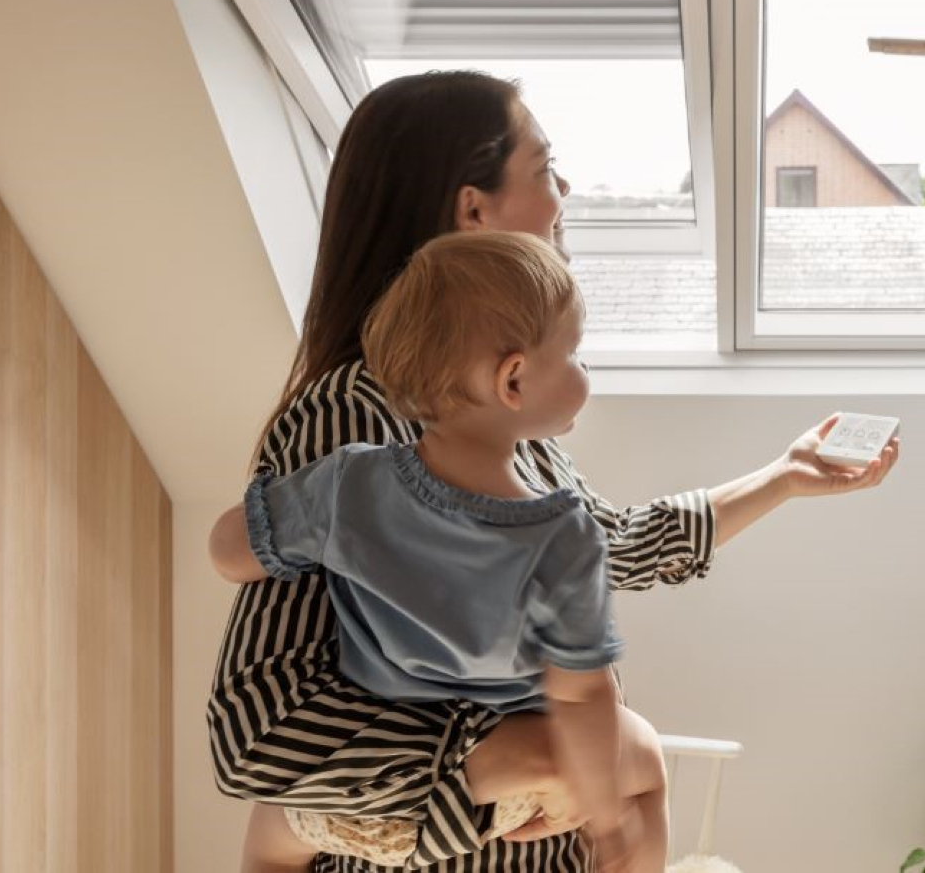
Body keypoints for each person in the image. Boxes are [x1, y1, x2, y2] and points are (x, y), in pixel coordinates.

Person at [206, 70, 900, 873]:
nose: (565, 189)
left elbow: (618, 544)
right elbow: (260, 726)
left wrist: (783, 476)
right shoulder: (356, 416)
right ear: (473, 210)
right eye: (544, 169)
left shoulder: (500, 428)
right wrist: (525, 758)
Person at [211, 232, 666, 873]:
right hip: (497, 795)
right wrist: (607, 813)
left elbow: (233, 550)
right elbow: (581, 698)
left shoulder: (347, 482)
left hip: (362, 800)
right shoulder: (562, 538)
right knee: (647, 770)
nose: (583, 371)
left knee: (267, 837)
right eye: (574, 354)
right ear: (513, 379)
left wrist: (273, 546)